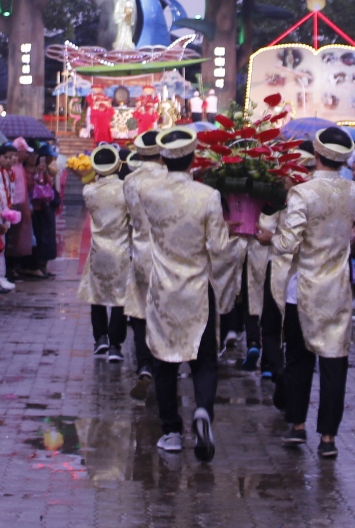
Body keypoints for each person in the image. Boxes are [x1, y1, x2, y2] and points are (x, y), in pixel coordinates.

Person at [259, 127, 355, 458]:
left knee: (298, 357)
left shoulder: (302, 193)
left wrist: (268, 238)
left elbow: (288, 243)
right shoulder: (354, 191)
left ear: (316, 155)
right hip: (337, 287)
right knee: (334, 362)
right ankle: (328, 437)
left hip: (301, 287)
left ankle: (297, 424)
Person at [139, 127, 234, 462]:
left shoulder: (149, 193)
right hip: (197, 288)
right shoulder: (207, 196)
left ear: (163, 158)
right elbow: (219, 248)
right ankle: (203, 409)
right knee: (204, 360)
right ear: (193, 158)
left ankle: (171, 431)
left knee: (164, 360)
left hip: (163, 288)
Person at [121, 131, 165, 396]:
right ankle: (163, 363)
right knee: (165, 310)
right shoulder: (172, 178)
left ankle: (144, 365)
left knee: (140, 311)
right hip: (168, 253)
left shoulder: (130, 180)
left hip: (140, 251)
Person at [78, 145, 130, 363]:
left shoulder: (89, 191)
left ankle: (100, 337)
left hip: (98, 249)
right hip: (121, 248)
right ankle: (115, 345)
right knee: (120, 298)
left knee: (97, 294)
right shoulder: (126, 189)